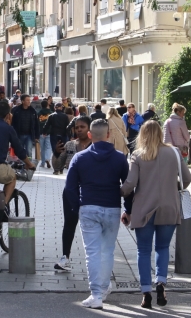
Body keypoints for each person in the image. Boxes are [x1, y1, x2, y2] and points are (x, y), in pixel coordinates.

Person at [121, 121, 191, 309]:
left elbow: (130, 185)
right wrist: (172, 186)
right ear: (160, 133)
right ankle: (160, 283)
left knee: (143, 250)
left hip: (144, 209)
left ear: (142, 134)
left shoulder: (138, 155)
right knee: (163, 247)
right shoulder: (174, 153)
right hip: (169, 206)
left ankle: (146, 293)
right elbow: (187, 179)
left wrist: (117, 191)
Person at [65, 119, 129, 310]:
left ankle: (96, 294)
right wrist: (129, 208)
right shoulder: (119, 158)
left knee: (92, 252)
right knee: (107, 251)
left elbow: (70, 188)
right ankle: (104, 286)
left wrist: (78, 207)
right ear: (108, 134)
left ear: (90, 135)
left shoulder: (80, 158)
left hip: (89, 207)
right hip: (112, 207)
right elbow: (127, 186)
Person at [53, 115, 92, 272]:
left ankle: (94, 258)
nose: (79, 129)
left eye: (82, 127)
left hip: (90, 191)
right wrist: (56, 154)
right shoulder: (69, 145)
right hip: (71, 190)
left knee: (90, 225)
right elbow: (57, 167)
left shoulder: (95, 145)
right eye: (77, 127)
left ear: (89, 128)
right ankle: (65, 257)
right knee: (69, 223)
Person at [42, 102, 70, 174]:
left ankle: (56, 169)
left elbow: (47, 125)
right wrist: (70, 135)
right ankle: (61, 168)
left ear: (55, 108)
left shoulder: (52, 116)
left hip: (54, 134)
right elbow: (68, 127)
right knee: (62, 151)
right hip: (63, 134)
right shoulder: (65, 116)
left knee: (55, 151)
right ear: (61, 108)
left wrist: (44, 132)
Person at [10, 94, 39, 158]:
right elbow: (12, 123)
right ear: (22, 101)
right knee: (19, 151)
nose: (29, 102)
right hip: (19, 134)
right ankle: (20, 165)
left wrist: (37, 136)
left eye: (29, 100)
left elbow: (36, 124)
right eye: (27, 100)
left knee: (29, 151)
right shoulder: (16, 110)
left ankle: (29, 165)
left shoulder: (33, 111)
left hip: (29, 134)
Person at [37, 100, 53, 168]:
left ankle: (42, 163)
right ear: (47, 105)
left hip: (41, 132)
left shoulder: (39, 113)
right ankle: (47, 159)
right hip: (49, 132)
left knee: (42, 148)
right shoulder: (51, 113)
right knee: (48, 147)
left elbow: (37, 123)